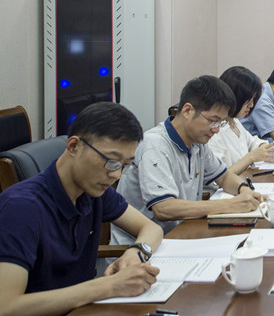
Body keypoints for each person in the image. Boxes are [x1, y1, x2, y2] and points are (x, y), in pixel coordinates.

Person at [0, 102, 163, 314]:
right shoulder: (21, 208)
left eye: (124, 165)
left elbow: (151, 228)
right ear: (74, 146)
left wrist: (137, 252)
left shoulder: (93, 191)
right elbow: (6, 306)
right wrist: (109, 286)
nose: (116, 175)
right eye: (111, 161)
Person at [113, 76, 265, 243]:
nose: (216, 130)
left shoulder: (197, 144)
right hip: (143, 248)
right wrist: (230, 205)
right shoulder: (155, 145)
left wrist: (245, 190)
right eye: (213, 121)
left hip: (181, 235)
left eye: (220, 123)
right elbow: (164, 208)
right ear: (187, 111)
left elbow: (224, 177)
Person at [208, 66, 274, 175]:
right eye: (248, 100)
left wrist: (262, 146)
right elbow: (219, 177)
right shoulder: (214, 131)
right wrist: (251, 157)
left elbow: (252, 142)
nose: (251, 105)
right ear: (234, 96)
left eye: (253, 100)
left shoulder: (234, 121)